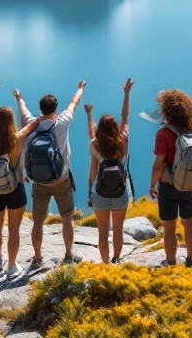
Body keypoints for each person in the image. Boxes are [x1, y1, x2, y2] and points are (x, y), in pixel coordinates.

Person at [15, 80, 85, 267]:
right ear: (55, 109)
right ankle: (69, 256)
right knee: (67, 217)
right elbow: (74, 103)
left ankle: (37, 258)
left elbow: (22, 109)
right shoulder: (62, 123)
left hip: (39, 180)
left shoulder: (31, 124)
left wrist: (19, 98)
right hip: (61, 178)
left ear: (40, 109)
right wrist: (80, 88)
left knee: (38, 221)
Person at [149, 88, 192, 267]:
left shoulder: (163, 134)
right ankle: (190, 259)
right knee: (189, 222)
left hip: (168, 185)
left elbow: (158, 165)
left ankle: (171, 262)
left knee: (169, 227)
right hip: (189, 183)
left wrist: (152, 185)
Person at [0, 106, 38, 276]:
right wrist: (39, 118)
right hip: (15, 188)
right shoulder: (17, 138)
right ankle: (12, 265)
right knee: (14, 231)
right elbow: (32, 125)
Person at [85, 78, 133, 264]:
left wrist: (89, 114)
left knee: (103, 233)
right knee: (118, 230)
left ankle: (105, 265)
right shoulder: (123, 142)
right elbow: (125, 117)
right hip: (121, 192)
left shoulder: (94, 145)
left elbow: (92, 172)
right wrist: (126, 93)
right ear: (115, 128)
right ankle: (117, 259)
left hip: (101, 192)